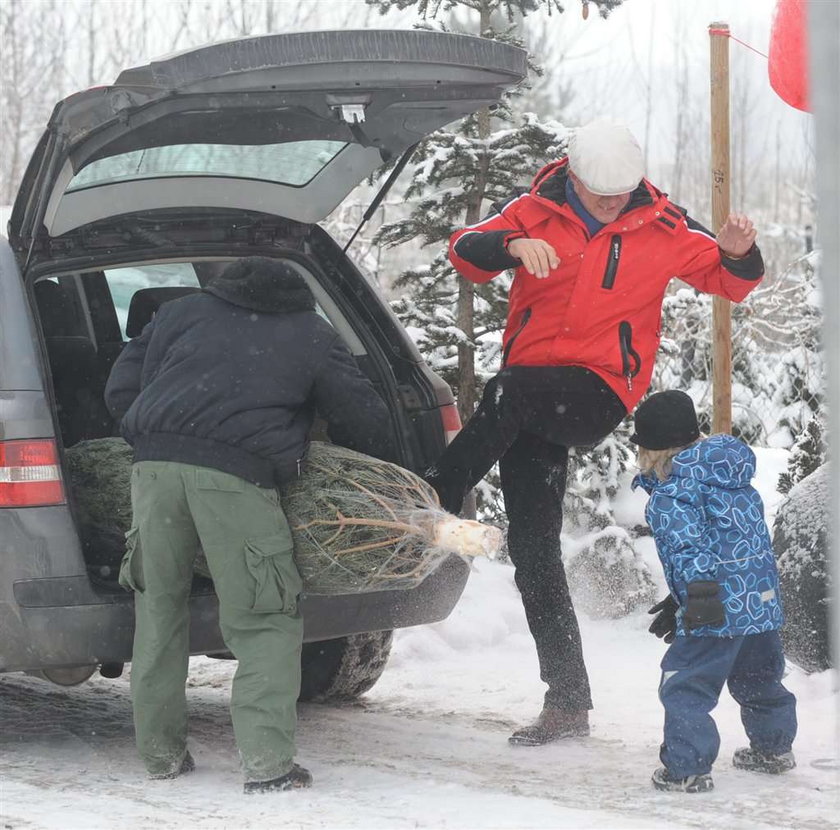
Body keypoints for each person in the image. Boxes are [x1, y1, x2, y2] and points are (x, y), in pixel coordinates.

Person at [426, 117, 766, 746]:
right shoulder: (532, 211)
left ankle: (433, 498)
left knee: (509, 389)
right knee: (533, 552)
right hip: (528, 403)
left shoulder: (663, 225)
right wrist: (510, 248)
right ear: (573, 177)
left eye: (622, 192)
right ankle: (568, 701)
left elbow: (731, 281)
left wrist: (740, 251)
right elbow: (464, 250)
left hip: (597, 389)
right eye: (600, 193)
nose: (614, 204)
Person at [104, 256, 396, 792]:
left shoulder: (179, 313)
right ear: (298, 294)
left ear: (226, 283)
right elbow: (365, 419)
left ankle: (160, 756)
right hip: (236, 481)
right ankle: (268, 767)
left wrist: (157, 435)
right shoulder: (311, 333)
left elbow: (120, 389)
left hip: (153, 475)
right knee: (264, 618)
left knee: (159, 609)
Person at [630, 390, 797, 793]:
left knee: (686, 684)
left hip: (716, 606)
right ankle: (773, 749)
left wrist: (698, 600)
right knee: (760, 678)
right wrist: (680, 597)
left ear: (651, 450)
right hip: (759, 601)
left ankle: (686, 768)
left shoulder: (671, 495)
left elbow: (688, 551)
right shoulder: (732, 478)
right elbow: (741, 545)